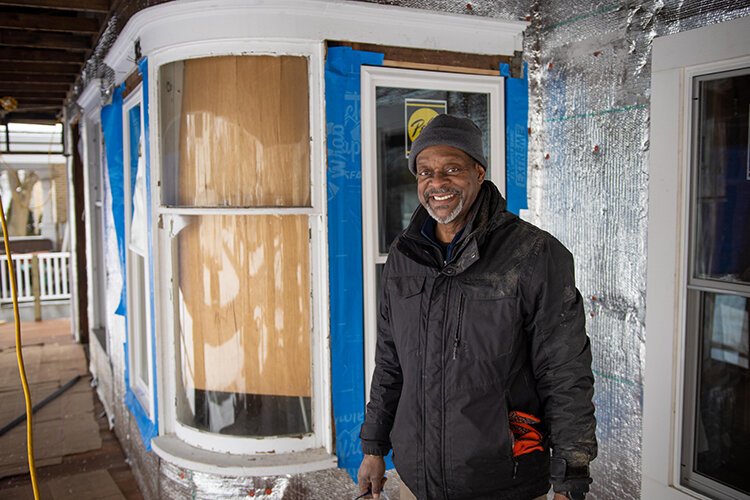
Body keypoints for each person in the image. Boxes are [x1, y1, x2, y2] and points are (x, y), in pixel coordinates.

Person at [357, 114, 597, 500]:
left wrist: (569, 479)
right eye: (425, 172)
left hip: (503, 480)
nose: (437, 183)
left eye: (452, 169)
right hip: (416, 479)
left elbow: (565, 372)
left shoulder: (532, 254)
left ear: (479, 172)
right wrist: (373, 447)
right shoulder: (405, 256)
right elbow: (390, 360)